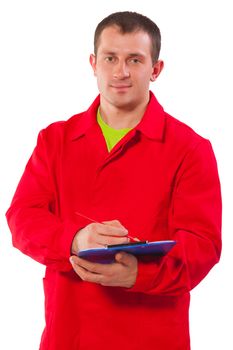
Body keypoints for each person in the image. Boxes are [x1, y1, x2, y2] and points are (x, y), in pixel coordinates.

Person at [6, 11, 222, 350]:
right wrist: (75, 239)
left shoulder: (190, 149)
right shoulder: (55, 140)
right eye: (111, 58)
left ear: (156, 69)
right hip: (69, 333)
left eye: (134, 59)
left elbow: (203, 245)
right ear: (94, 63)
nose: (120, 71)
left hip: (152, 336)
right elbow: (22, 218)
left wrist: (141, 274)